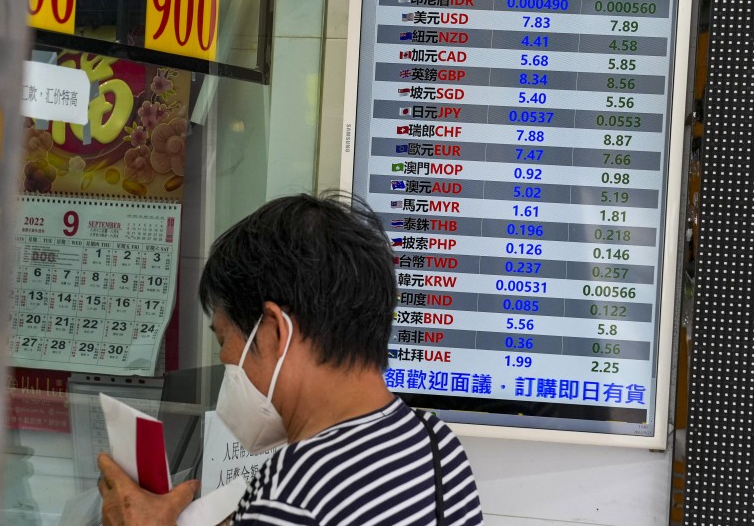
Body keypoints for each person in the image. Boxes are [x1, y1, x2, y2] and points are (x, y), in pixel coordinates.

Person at [98, 193, 484, 525]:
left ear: (273, 331)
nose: (224, 357)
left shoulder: (291, 490)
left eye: (223, 337)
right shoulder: (435, 443)